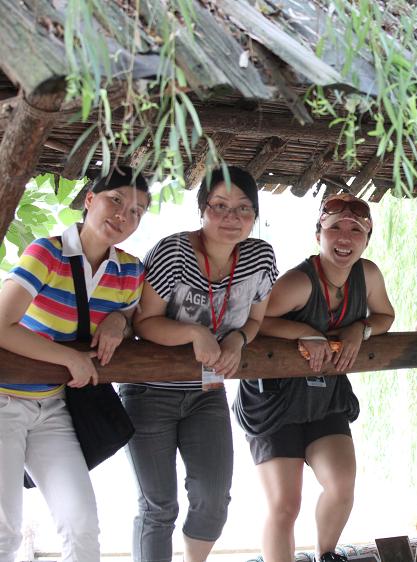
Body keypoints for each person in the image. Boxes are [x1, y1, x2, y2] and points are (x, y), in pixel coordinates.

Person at [128, 167, 278, 562]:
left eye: (243, 208)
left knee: (213, 500)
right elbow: (143, 322)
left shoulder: (260, 257)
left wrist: (237, 339)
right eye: (220, 206)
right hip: (149, 392)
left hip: (207, 391)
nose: (232, 218)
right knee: (158, 507)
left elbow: (255, 320)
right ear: (201, 208)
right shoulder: (173, 253)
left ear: (255, 214)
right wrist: (194, 333)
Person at [0, 167, 150, 562]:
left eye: (136, 211)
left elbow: (131, 319)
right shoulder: (47, 253)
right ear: (89, 200)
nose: (123, 215)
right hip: (4, 401)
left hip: (53, 406)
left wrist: (118, 322)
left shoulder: (130, 270)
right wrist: (69, 357)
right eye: (115, 200)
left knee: (81, 524)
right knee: (4, 531)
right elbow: (1, 325)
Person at [235, 193, 394, 562]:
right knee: (285, 505)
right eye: (335, 228)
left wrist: (360, 329)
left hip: (325, 397)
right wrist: (302, 332)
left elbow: (385, 315)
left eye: (356, 230)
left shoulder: (367, 275)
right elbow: (253, 322)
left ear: (367, 239)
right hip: (274, 401)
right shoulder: (299, 283)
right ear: (318, 235)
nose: (345, 238)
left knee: (341, 486)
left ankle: (327, 554)